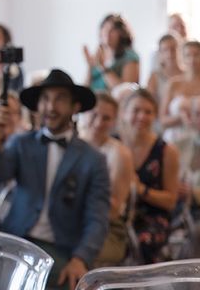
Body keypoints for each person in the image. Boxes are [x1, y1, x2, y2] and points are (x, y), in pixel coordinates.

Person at [0, 69, 110, 290]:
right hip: (16, 242)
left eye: (60, 99)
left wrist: (81, 258)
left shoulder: (93, 159)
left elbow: (97, 218)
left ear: (75, 106)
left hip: (60, 249)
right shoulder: (21, 143)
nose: (51, 107)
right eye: (45, 99)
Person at [121, 89, 179, 263]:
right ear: (124, 113)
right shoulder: (114, 144)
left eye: (148, 112)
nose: (142, 117)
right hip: (118, 215)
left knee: (143, 242)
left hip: (152, 217)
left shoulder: (166, 151)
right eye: (136, 110)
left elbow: (170, 201)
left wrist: (140, 190)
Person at [80, 93, 133, 266]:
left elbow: (114, 209)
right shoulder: (73, 144)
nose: (98, 123)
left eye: (106, 118)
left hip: (107, 227)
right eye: (93, 115)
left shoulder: (119, 154)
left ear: (114, 121)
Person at [160, 41, 200, 172]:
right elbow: (162, 120)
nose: (193, 59)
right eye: (188, 55)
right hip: (175, 138)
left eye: (197, 55)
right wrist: (181, 118)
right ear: (182, 57)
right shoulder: (174, 84)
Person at [84, 14, 139, 92]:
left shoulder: (130, 56)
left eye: (112, 30)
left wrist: (102, 68)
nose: (107, 33)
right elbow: (86, 89)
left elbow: (126, 91)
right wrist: (89, 67)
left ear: (122, 33)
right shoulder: (97, 55)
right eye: (105, 28)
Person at [147, 34, 183, 110]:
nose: (170, 53)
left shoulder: (188, 74)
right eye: (165, 50)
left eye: (173, 49)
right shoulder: (155, 76)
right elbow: (149, 102)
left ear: (180, 50)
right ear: (160, 53)